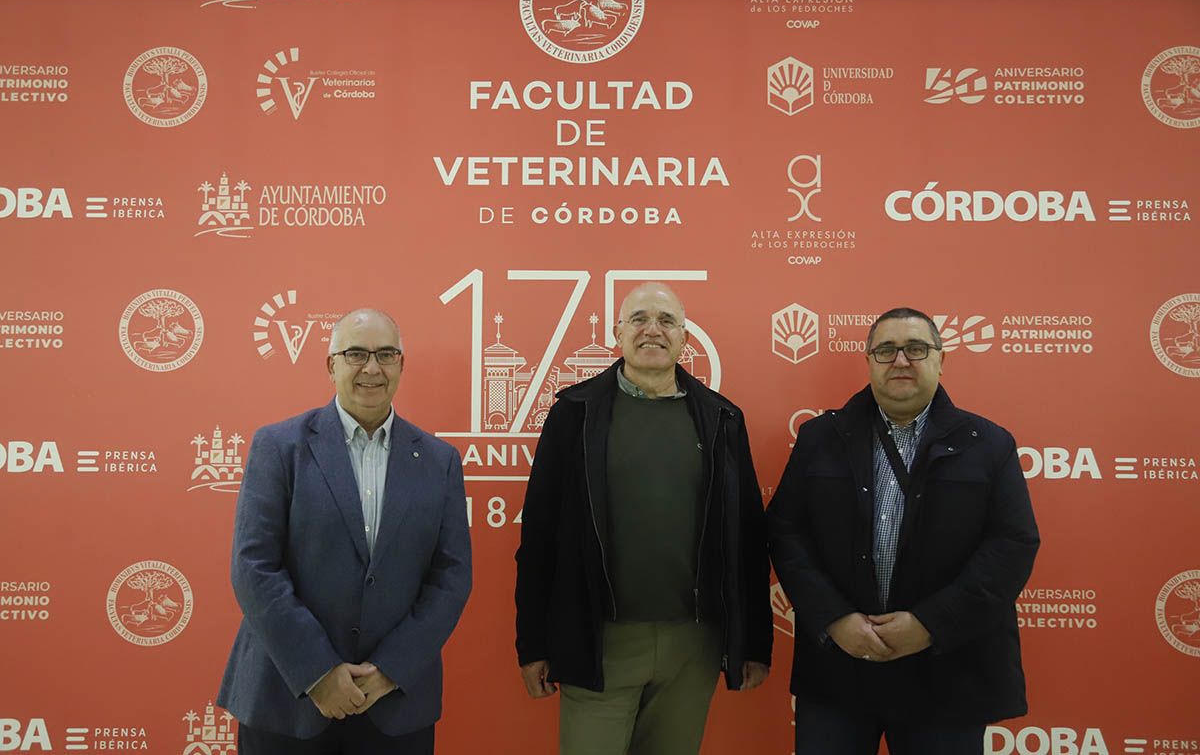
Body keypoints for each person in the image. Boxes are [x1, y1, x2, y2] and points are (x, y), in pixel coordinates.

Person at [767, 307, 1040, 755]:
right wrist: (834, 617)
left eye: (916, 348)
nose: (900, 360)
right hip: (839, 670)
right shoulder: (821, 437)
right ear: (869, 360)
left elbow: (1013, 544)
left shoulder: (988, 443)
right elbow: (786, 530)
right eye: (886, 350)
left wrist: (932, 623)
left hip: (948, 671)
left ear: (940, 358)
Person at [515, 282, 772, 755]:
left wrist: (755, 642)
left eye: (666, 320)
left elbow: (748, 540)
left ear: (684, 337)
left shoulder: (722, 420)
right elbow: (539, 538)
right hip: (600, 642)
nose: (652, 329)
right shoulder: (574, 413)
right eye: (638, 319)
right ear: (618, 333)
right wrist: (532, 644)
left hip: (692, 647)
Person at [217, 309, 472, 755]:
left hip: (394, 706)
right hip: (287, 701)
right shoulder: (279, 447)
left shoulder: (439, 460)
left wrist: (390, 669)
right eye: (355, 354)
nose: (372, 368)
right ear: (331, 365)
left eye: (386, 355)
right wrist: (318, 672)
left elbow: (450, 577)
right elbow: (253, 567)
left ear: (401, 365)